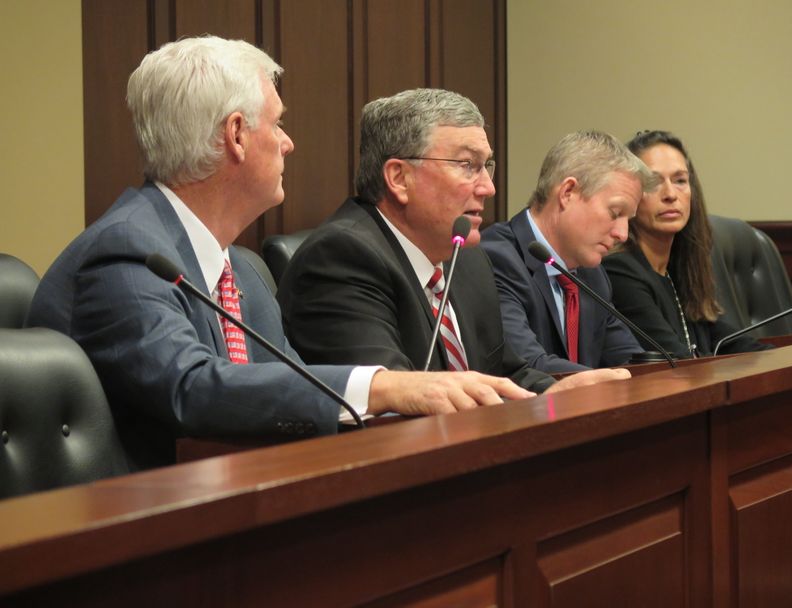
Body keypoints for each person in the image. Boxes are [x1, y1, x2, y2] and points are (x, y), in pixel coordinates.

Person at [26, 37, 539, 472]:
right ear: (236, 136)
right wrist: (382, 387)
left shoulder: (242, 270)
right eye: (277, 124)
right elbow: (190, 388)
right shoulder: (127, 252)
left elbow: (292, 384)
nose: (289, 143)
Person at [276, 89, 629, 393]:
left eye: (486, 166)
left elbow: (506, 373)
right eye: (467, 165)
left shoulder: (467, 260)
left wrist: (557, 391)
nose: (488, 188)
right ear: (399, 177)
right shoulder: (342, 259)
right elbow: (392, 400)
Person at [481, 131, 656, 373]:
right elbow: (528, 366)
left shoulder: (592, 276)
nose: (623, 234)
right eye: (615, 213)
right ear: (567, 193)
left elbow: (629, 360)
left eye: (628, 220)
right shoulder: (497, 259)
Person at [602, 130, 771, 358]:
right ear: (631, 195)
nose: (671, 194)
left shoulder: (680, 269)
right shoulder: (621, 272)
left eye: (680, 180)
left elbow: (732, 342)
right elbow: (679, 364)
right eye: (653, 182)